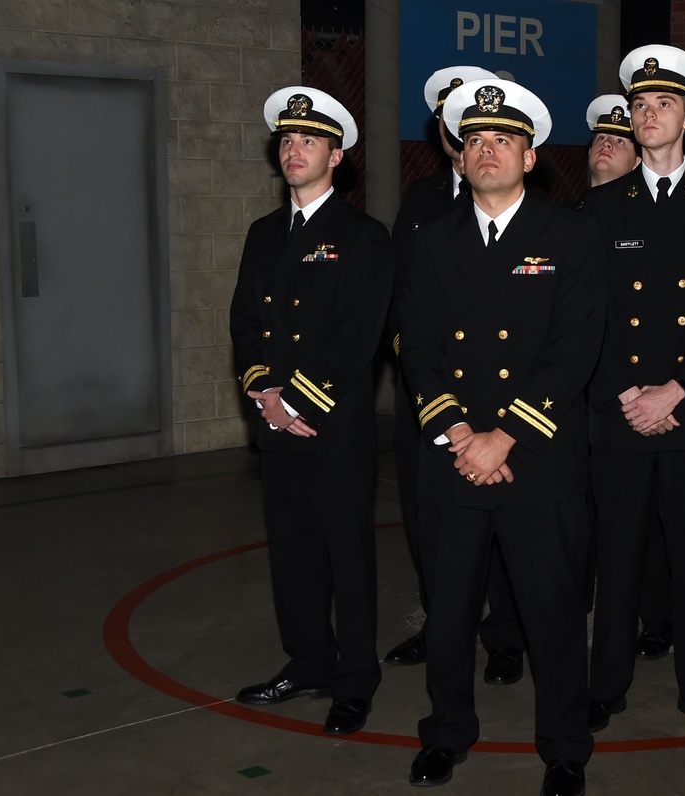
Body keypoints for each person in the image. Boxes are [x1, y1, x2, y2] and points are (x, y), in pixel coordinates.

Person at [400, 77, 603, 796]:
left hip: (537, 459)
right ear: (458, 157)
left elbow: (574, 349)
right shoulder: (431, 240)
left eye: (503, 140)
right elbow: (416, 346)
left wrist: (504, 436)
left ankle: (565, 746)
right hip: (454, 457)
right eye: (475, 140)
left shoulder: (571, 237)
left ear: (531, 153)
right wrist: (460, 431)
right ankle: (447, 733)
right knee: (450, 611)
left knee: (550, 611)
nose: (487, 150)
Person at [582, 44, 685, 737]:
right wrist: (631, 394)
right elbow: (586, 316)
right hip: (619, 414)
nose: (649, 115)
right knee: (616, 557)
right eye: (640, 106)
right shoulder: (598, 210)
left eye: (664, 105)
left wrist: (673, 391)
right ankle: (606, 686)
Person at [229, 86, 393, 736]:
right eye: (288, 140)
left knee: (347, 560)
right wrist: (265, 393)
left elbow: (358, 336)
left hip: (332, 427)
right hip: (277, 427)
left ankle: (355, 681)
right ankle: (307, 662)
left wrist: (297, 399)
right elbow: (245, 321)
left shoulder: (362, 237)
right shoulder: (264, 234)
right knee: (292, 557)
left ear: (338, 155)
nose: (294, 150)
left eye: (309, 140)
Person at [386, 66, 527, 688]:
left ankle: (503, 636)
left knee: (502, 530)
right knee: (431, 523)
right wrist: (434, 401)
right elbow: (401, 301)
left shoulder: (537, 214)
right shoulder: (421, 200)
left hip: (504, 410)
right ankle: (443, 623)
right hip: (434, 399)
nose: (475, 138)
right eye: (460, 119)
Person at [585, 94, 641, 189]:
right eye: (601, 138)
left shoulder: (647, 204)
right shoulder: (569, 204)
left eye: (620, 141)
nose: (606, 143)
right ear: (590, 151)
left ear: (637, 161)